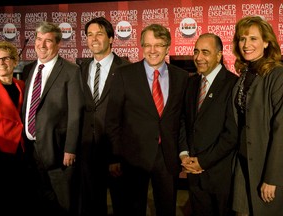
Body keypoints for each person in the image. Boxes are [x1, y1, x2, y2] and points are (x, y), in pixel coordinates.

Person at [105, 23, 189, 216]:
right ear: (141, 46)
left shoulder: (182, 77)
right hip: (133, 157)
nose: (153, 50)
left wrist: (184, 151)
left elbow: (182, 118)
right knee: (133, 209)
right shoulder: (125, 75)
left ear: (167, 47)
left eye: (158, 45)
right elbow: (113, 120)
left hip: (168, 156)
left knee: (167, 208)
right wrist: (114, 157)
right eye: (148, 45)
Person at [22, 21, 84, 216]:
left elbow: (76, 112)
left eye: (48, 41)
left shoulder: (71, 71)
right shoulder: (28, 70)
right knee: (39, 200)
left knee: (64, 202)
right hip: (30, 149)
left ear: (58, 44)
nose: (42, 45)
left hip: (58, 150)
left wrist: (70, 148)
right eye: (39, 40)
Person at [179, 33, 238, 216]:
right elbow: (183, 121)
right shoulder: (191, 83)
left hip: (220, 177)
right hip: (194, 175)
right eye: (196, 51)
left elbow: (232, 134)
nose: (198, 57)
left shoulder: (233, 84)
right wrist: (184, 154)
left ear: (219, 55)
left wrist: (203, 162)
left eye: (205, 52)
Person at [230, 16, 283, 216]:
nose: (246, 44)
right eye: (242, 39)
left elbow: (281, 130)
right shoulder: (244, 74)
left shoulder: (277, 75)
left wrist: (272, 177)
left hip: (266, 167)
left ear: (267, 42)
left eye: (253, 38)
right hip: (243, 163)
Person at [78, 16, 130, 216]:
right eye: (89, 35)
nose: (94, 39)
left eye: (99, 34)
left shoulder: (127, 69)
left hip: (116, 151)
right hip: (86, 149)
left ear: (110, 38)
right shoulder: (81, 69)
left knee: (121, 203)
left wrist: (119, 154)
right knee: (92, 204)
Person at [0, 41, 27, 214]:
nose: (0, 63)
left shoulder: (21, 86)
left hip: (20, 151)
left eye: (6, 58)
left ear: (15, 61)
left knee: (18, 198)